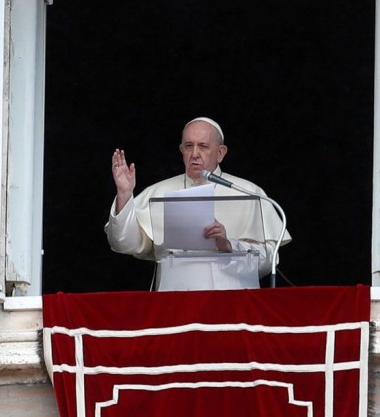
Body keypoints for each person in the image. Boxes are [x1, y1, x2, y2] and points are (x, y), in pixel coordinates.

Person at [104, 117, 291, 290]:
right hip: (174, 301)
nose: (195, 154)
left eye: (203, 146)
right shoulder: (158, 192)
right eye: (188, 146)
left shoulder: (249, 193)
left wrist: (229, 245)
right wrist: (125, 194)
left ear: (220, 153)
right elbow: (123, 243)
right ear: (181, 150)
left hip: (233, 302)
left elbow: (268, 261)